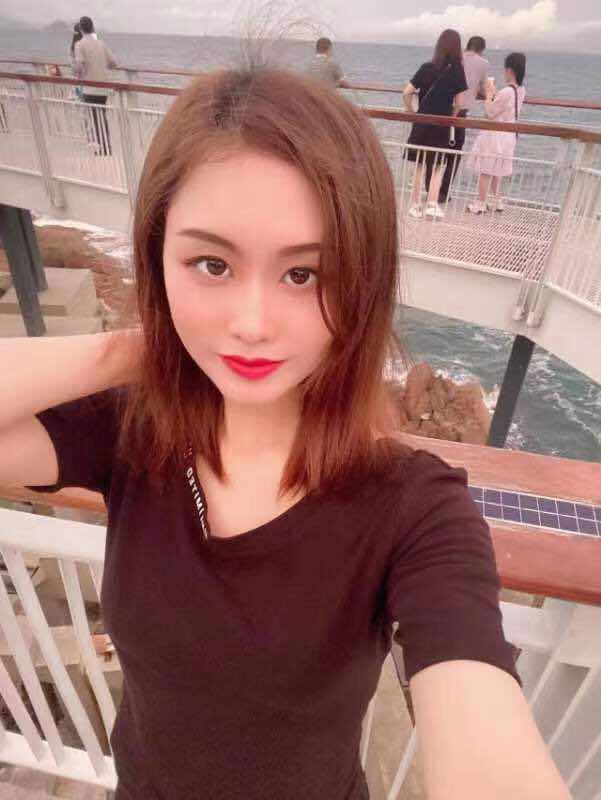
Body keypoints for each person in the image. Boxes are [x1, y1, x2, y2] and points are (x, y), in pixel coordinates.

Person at [2, 66, 571, 800]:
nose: (251, 323)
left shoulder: (413, 509)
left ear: (362, 285)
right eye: (211, 264)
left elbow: (478, 717)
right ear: (156, 258)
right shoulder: (132, 431)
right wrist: (144, 347)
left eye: (303, 275)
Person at [403, 29, 467, 220]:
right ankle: (431, 204)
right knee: (439, 164)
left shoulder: (426, 67)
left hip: (422, 121)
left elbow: (407, 92)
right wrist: (451, 117)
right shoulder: (457, 71)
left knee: (419, 164)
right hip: (442, 123)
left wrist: (412, 112)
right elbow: (460, 102)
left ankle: (415, 205)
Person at [467, 52, 527, 213]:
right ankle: (497, 200)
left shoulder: (506, 92)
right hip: (509, 135)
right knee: (497, 170)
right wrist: (495, 95)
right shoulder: (521, 90)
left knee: (486, 170)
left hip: (495, 135)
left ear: (510, 70)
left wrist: (489, 95)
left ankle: (480, 203)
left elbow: (489, 113)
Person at [434, 35, 489, 204]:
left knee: (437, 150)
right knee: (455, 153)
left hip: (442, 109)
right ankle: (443, 193)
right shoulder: (483, 63)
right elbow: (484, 89)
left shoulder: (455, 59)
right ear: (481, 49)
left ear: (467, 46)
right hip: (460, 113)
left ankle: (431, 189)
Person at [73, 15, 118, 155]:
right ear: (92, 28)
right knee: (101, 117)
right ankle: (106, 147)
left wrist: (78, 74)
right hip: (103, 88)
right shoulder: (101, 44)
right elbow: (113, 63)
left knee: (93, 119)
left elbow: (79, 65)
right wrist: (102, 65)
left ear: (81, 29)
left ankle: (101, 148)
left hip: (89, 88)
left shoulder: (79, 45)